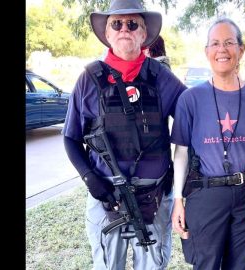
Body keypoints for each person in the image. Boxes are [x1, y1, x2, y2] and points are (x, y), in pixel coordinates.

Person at [62, 0, 186, 269]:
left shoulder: (161, 77)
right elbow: (70, 138)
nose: (124, 29)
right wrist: (90, 179)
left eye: (133, 24)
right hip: (107, 199)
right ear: (107, 34)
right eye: (116, 24)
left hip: (154, 198)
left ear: (144, 35)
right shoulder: (88, 79)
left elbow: (194, 117)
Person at [170, 18, 245, 270]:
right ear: (207, 52)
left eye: (229, 42)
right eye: (215, 43)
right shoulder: (190, 99)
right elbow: (181, 153)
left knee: (239, 265)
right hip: (206, 194)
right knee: (206, 265)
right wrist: (178, 200)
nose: (222, 49)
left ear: (241, 49)